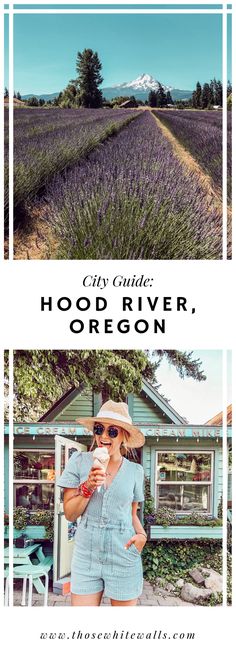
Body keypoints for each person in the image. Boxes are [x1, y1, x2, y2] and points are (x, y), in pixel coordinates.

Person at [57, 400, 147, 606]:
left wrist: (142, 535)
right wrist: (87, 486)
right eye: (99, 429)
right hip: (86, 555)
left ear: (124, 435)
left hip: (123, 554)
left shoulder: (135, 471)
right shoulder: (78, 461)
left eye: (112, 431)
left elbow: (132, 514)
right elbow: (70, 514)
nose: (104, 436)